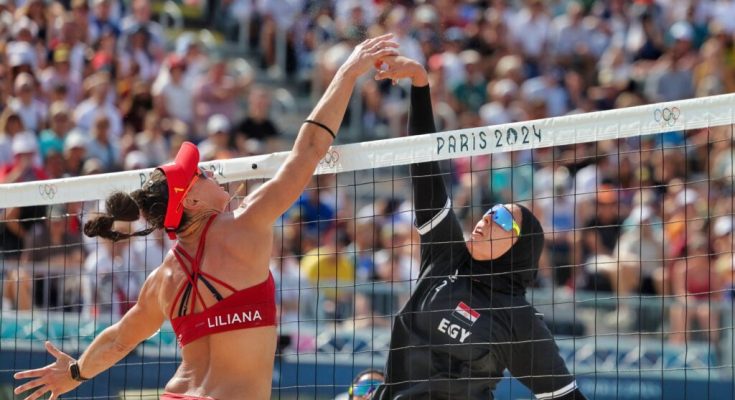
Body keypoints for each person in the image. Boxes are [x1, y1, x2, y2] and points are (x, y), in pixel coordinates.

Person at [13, 34, 399, 400]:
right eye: (199, 174)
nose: (210, 171)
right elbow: (311, 147)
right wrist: (348, 71)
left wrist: (77, 372)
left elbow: (118, 339)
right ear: (192, 202)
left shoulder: (162, 278)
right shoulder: (246, 223)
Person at [370, 56, 586, 400]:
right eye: (490, 211)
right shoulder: (447, 256)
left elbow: (565, 396)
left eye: (502, 219)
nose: (487, 217)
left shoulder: (518, 320)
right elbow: (425, 166)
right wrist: (421, 86)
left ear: (520, 247)